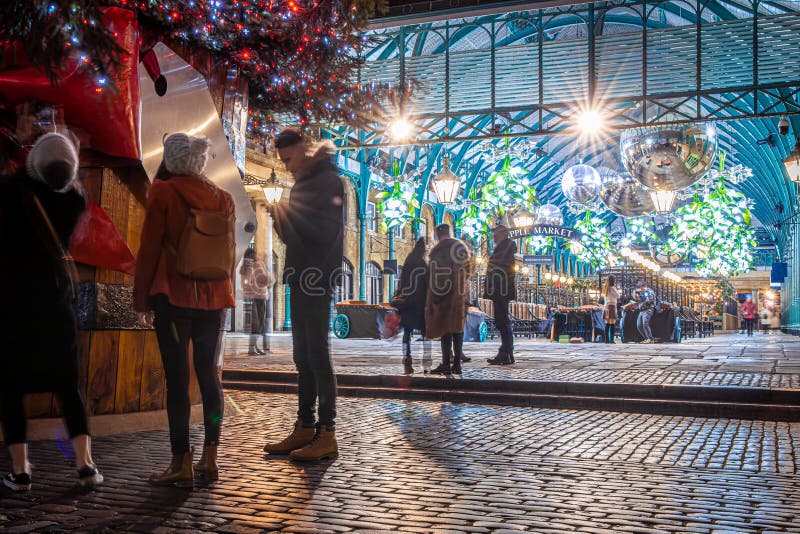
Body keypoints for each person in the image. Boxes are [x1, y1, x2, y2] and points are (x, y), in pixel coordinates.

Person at [0, 132, 103, 491]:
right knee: (68, 385)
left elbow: (15, 179)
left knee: (10, 388)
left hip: (13, 302)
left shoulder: (13, 192)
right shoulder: (74, 200)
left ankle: (21, 471)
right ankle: (85, 464)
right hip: (57, 301)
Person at [134, 133, 235, 486]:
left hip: (174, 297)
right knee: (209, 378)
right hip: (215, 300)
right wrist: (226, 296)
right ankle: (211, 457)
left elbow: (148, 249)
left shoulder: (163, 191)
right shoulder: (223, 198)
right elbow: (229, 255)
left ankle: (181, 462)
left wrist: (141, 300)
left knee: (177, 381)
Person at [263, 128, 344, 462]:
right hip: (301, 276)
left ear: (304, 150)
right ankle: (305, 427)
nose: (287, 167)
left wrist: (286, 214)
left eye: (289, 159)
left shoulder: (328, 182)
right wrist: (280, 217)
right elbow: (293, 238)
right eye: (282, 162)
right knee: (302, 357)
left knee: (317, 355)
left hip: (317, 277)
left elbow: (323, 234)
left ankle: (327, 433)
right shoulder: (303, 184)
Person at [426, 224, 473, 375]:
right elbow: (469, 271)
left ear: (438, 235)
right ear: (450, 232)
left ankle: (446, 363)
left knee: (445, 330)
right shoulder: (461, 247)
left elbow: (434, 275)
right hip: (460, 295)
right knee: (458, 330)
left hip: (444, 296)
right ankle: (457, 365)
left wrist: (434, 297)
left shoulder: (437, 251)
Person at [393, 237, 428, 374]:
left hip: (408, 303)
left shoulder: (408, 261)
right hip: (420, 304)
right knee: (425, 333)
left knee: (407, 332)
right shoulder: (422, 263)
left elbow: (402, 281)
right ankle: (426, 361)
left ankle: (407, 358)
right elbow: (427, 282)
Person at [485, 225, 517, 365]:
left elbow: (498, 270)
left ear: (501, 234)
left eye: (495, 234)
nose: (493, 237)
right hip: (500, 289)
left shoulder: (504, 249)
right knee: (502, 321)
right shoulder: (504, 248)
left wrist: (492, 285)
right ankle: (507, 352)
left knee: (502, 321)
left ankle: (506, 352)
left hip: (500, 290)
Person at [240, 248, 275, 354]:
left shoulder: (244, 267)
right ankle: (252, 347)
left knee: (255, 324)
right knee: (258, 324)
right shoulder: (257, 265)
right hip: (259, 296)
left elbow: (244, 283)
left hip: (249, 297)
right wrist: (272, 276)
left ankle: (254, 347)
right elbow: (264, 279)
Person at [602, 275, 620, 343]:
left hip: (606, 306)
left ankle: (606, 340)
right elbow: (618, 295)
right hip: (612, 306)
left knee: (607, 324)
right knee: (612, 324)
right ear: (613, 280)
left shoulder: (605, 288)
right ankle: (611, 340)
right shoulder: (612, 288)